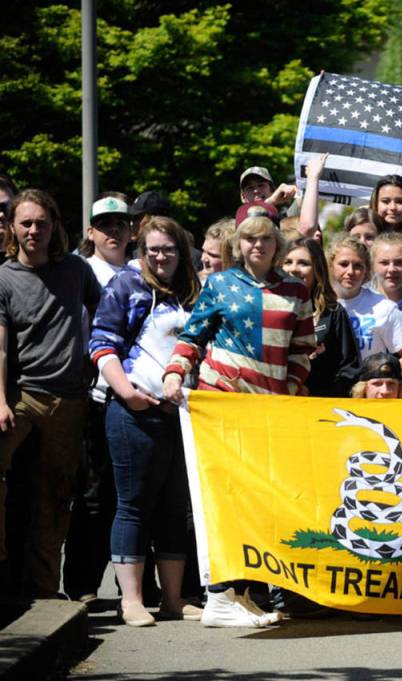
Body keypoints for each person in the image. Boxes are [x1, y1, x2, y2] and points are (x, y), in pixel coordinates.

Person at [163, 204, 315, 627]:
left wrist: (290, 390)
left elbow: (304, 352)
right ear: (238, 243)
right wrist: (175, 372)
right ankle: (219, 596)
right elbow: (193, 336)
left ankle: (243, 593)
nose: (258, 245)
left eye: (266, 237)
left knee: (258, 502)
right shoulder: (220, 285)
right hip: (223, 405)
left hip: (269, 414)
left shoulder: (296, 291)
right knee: (226, 499)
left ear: (277, 243)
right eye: (249, 237)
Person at [90, 216, 203, 626]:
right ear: (143, 250)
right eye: (153, 249)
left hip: (183, 416)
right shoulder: (125, 284)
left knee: (175, 507)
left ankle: (174, 599)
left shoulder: (196, 291)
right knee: (133, 505)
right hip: (133, 411)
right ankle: (132, 601)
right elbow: (102, 343)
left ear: (181, 252)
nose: (160, 257)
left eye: (168, 249)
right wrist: (127, 393)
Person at [0, 189, 102, 599]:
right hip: (21, 396)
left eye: (42, 222)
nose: (34, 230)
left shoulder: (75, 271)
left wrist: (96, 357)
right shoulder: (4, 277)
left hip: (69, 398)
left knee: (55, 496)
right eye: (26, 222)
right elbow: (2, 346)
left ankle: (45, 589)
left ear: (54, 226)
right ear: (12, 226)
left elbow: (104, 311)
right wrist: (1, 401)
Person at [62, 195, 132, 604]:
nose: (113, 231)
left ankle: (134, 585)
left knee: (133, 494)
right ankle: (83, 584)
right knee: (93, 493)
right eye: (104, 225)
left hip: (136, 393)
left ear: (131, 230)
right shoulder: (80, 269)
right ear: (90, 232)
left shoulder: (143, 271)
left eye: (120, 224)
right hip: (93, 395)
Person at [328, 236, 402, 377]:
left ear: (367, 270)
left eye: (358, 266)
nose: (350, 271)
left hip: (369, 395)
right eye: (343, 264)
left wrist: (381, 374)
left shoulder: (384, 308)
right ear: (330, 266)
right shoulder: (317, 304)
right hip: (324, 395)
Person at [282, 237, 361, 398]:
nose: (294, 269)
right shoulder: (266, 309)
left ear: (317, 270)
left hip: (321, 405)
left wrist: (317, 394)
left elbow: (349, 369)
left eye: (303, 263)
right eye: (288, 262)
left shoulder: (333, 312)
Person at [369, 175, 402, 242]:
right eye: (385, 201)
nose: (393, 207)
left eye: (400, 202)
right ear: (375, 203)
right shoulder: (363, 238)